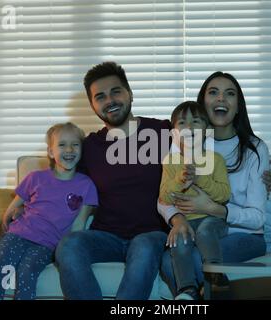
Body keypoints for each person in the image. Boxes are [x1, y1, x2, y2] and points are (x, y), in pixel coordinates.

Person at [55, 62, 169, 300]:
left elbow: (206, 151)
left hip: (152, 235)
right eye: (100, 96)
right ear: (93, 105)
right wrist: (24, 204)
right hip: (106, 236)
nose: (110, 100)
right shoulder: (89, 147)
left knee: (145, 247)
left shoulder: (163, 132)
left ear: (130, 94)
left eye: (116, 91)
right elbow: (61, 181)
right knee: (69, 245)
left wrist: (253, 167)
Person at [158, 71, 271, 298]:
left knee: (194, 260)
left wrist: (212, 209)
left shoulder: (255, 149)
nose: (221, 99)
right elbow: (163, 200)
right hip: (194, 227)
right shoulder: (183, 143)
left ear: (238, 106)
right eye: (213, 93)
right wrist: (178, 220)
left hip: (245, 235)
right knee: (166, 259)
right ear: (203, 103)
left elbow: (257, 217)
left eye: (229, 94)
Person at [0, 122, 98, 300]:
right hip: (19, 234)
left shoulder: (86, 185)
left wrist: (67, 250)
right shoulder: (35, 178)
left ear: (81, 151)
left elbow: (79, 224)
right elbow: (13, 206)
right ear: (51, 152)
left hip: (48, 245)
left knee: (26, 272)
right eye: (62, 144)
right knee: (0, 269)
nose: (69, 149)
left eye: (75, 145)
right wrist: (5, 223)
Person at [159, 100, 231, 300]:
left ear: (207, 130)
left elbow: (224, 194)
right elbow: (164, 197)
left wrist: (200, 178)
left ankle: (215, 273)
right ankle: (186, 288)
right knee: (178, 242)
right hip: (186, 221)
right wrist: (179, 179)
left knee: (205, 231)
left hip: (212, 219)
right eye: (182, 123)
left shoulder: (215, 160)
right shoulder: (171, 162)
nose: (189, 127)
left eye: (196, 122)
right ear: (174, 134)